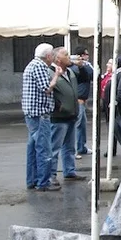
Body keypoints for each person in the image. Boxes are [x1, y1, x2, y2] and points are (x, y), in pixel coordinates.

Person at [21, 43, 61, 191]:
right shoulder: (39, 66)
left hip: (32, 113)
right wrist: (56, 76)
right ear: (48, 56)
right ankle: (43, 182)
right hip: (39, 113)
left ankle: (32, 180)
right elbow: (46, 88)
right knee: (44, 149)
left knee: (33, 148)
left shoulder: (32, 65)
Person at [49, 47, 84, 183]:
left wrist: (81, 66)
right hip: (59, 116)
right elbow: (48, 92)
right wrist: (58, 106)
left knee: (69, 147)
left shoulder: (70, 72)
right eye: (66, 54)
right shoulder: (50, 73)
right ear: (58, 59)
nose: (69, 56)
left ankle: (69, 171)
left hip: (71, 114)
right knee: (54, 147)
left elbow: (88, 76)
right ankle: (51, 175)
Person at [100, 58, 121, 158]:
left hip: (118, 107)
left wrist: (117, 101)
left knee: (120, 128)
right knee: (112, 129)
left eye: (110, 63)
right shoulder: (109, 75)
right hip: (108, 106)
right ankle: (111, 149)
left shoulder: (120, 74)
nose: (107, 64)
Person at [70, 47, 94, 158]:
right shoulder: (76, 67)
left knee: (82, 125)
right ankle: (75, 149)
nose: (87, 57)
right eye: (86, 54)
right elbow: (92, 74)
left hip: (82, 100)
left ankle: (81, 147)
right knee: (78, 124)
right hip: (78, 100)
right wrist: (84, 65)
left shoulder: (83, 67)